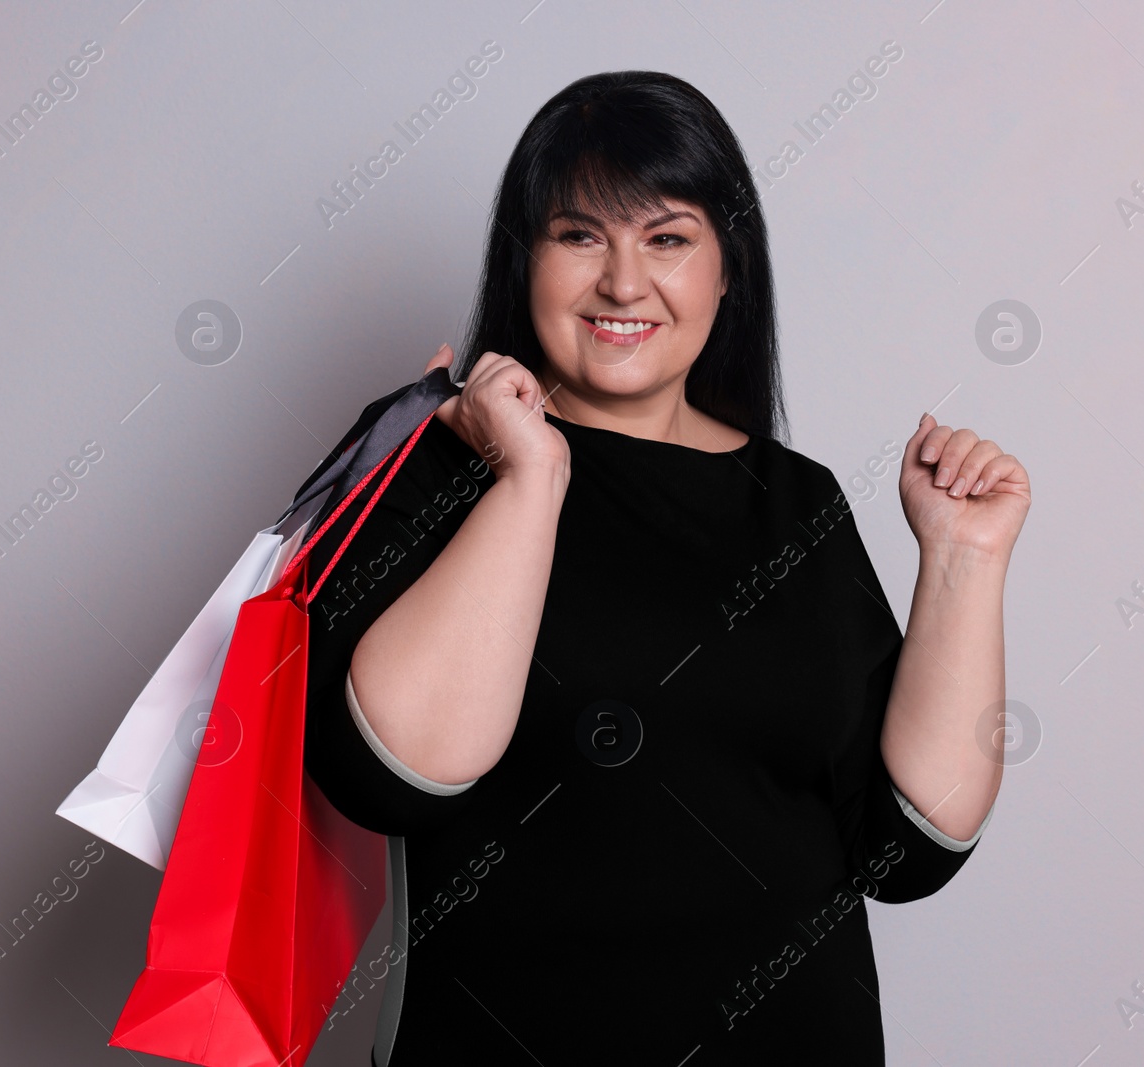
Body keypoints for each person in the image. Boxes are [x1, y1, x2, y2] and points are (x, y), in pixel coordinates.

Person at [292, 70, 1030, 1065]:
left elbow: (906, 851)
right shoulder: (432, 464)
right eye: (580, 235)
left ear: (727, 273)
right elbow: (395, 779)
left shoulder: (796, 501)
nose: (623, 283)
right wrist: (530, 475)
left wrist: (962, 557)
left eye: (668, 238)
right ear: (525, 262)